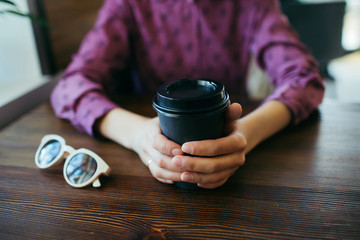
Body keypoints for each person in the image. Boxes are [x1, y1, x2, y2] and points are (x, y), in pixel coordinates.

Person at [51, 0, 325, 189]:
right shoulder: (128, 5)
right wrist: (137, 135)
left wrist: (244, 135)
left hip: (236, 160)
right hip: (143, 169)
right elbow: (70, 86)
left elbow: (304, 79)